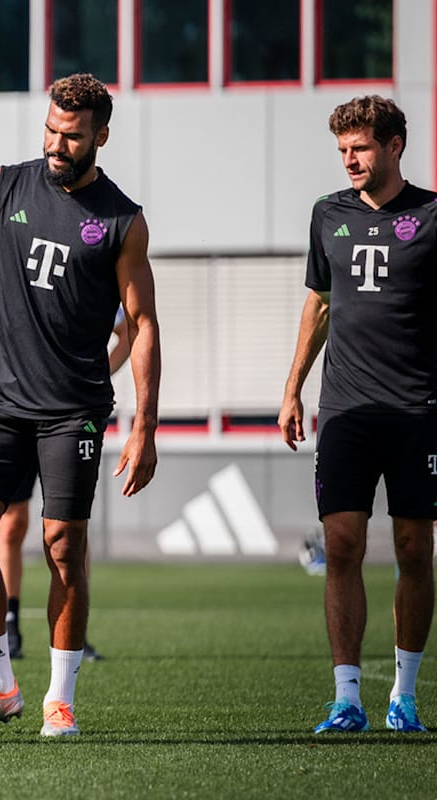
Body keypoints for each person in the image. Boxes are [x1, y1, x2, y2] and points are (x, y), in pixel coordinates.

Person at [0, 73, 160, 738]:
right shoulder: (4, 186)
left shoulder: (122, 220)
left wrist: (144, 426)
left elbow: (142, 324)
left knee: (63, 545)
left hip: (72, 410)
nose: (58, 145)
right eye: (52, 131)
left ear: (101, 137)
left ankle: (59, 700)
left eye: (73, 136)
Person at [279, 94, 435, 735]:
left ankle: (404, 695)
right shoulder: (328, 214)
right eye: (342, 149)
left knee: (413, 548)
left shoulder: (431, 215)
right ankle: (347, 699)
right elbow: (319, 303)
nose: (349, 159)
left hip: (418, 409)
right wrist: (292, 388)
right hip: (345, 408)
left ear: (394, 146)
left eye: (361, 148)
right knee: (342, 544)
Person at [0, 310, 131, 661]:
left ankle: (75, 636)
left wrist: (96, 375)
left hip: (67, 416)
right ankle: (10, 625)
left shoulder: (90, 277)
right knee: (10, 524)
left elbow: (130, 331)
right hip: (10, 417)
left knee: (69, 533)